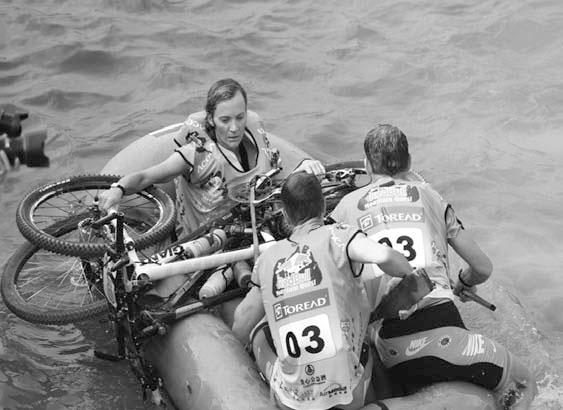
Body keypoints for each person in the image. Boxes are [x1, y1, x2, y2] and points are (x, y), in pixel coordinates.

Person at [329, 124, 537, 409]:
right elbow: (482, 268)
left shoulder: (344, 207)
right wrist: (464, 281)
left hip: (387, 343)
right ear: (409, 162)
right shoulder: (430, 196)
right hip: (437, 336)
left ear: (367, 165)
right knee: (523, 383)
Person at [232, 172, 414, 410]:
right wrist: (408, 275)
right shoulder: (340, 236)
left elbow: (240, 325)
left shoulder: (267, 259)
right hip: (348, 396)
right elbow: (386, 257)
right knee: (366, 340)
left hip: (295, 402)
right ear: (324, 206)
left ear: (285, 215)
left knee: (259, 332)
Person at [98, 78, 324, 234]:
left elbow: (275, 180)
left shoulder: (257, 139)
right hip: (206, 241)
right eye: (225, 120)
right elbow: (146, 176)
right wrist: (118, 189)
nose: (234, 128)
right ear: (211, 120)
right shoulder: (195, 154)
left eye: (240, 117)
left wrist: (304, 166)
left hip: (254, 229)